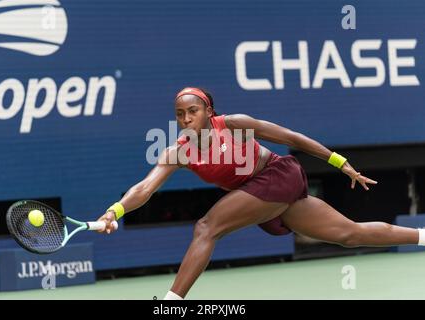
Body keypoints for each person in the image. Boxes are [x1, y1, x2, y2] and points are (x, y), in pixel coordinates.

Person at [97, 87, 424, 300]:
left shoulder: (235, 123)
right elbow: (143, 188)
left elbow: (291, 137)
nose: (185, 119)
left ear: (208, 111)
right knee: (349, 234)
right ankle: (422, 236)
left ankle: (171, 304)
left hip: (277, 175)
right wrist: (115, 212)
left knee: (207, 227)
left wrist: (340, 163)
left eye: (192, 111)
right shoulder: (178, 151)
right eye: (180, 114)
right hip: (260, 196)